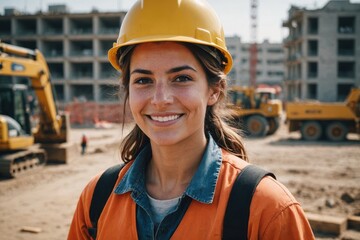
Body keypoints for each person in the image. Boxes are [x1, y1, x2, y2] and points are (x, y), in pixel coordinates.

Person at [68, 0, 315, 239]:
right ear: (128, 91)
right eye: (143, 80)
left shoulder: (267, 209)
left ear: (214, 90)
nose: (160, 99)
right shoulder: (96, 200)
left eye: (181, 78)